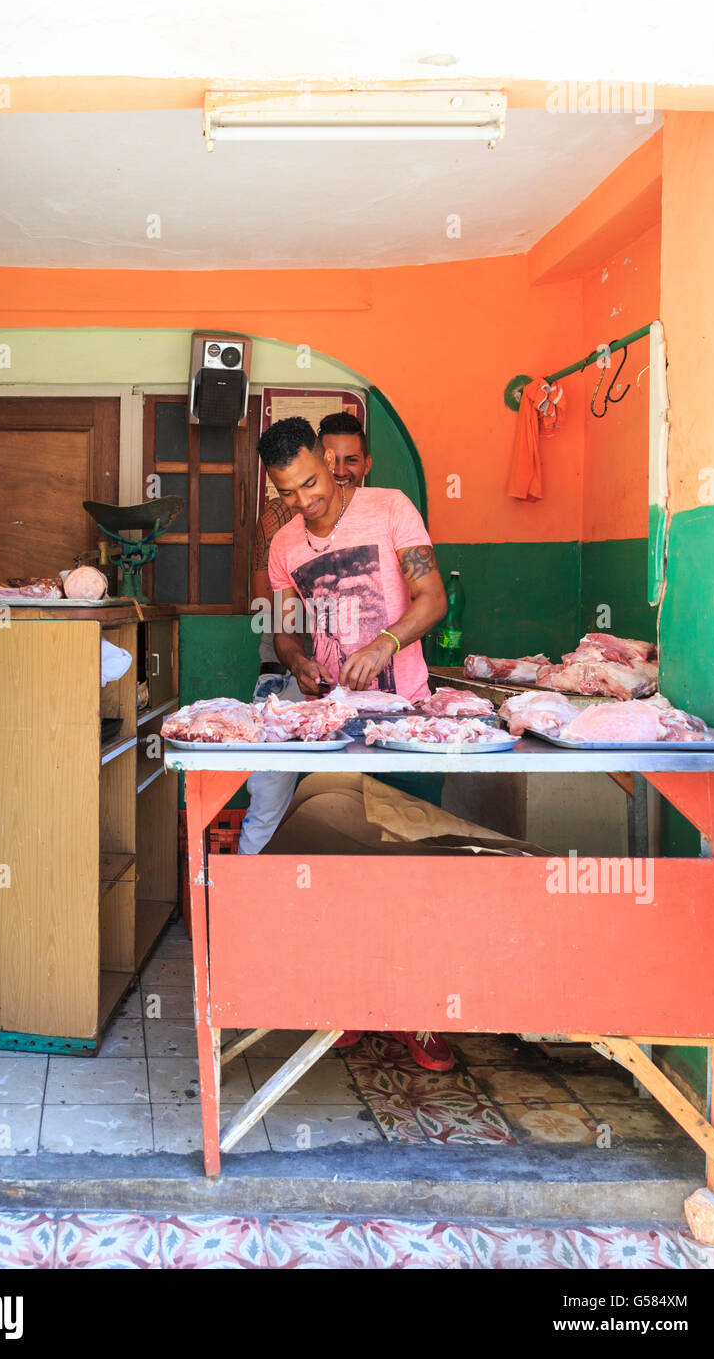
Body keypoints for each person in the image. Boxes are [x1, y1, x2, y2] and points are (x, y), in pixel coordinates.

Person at [259, 415, 456, 1073]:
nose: (305, 501)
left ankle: (420, 1016)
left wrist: (386, 643)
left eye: (311, 482)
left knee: (413, 870)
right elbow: (286, 632)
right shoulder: (285, 546)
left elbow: (432, 599)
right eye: (288, 492)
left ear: (329, 461)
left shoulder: (390, 509)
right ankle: (344, 1005)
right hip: (332, 726)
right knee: (339, 870)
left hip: (407, 724)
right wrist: (297, 663)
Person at [238, 412, 371, 856]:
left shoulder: (380, 516)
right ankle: (247, 901)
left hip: (364, 683)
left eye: (349, 460)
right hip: (289, 676)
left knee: (359, 799)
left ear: (364, 464)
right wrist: (304, 655)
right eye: (332, 459)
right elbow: (269, 610)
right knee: (270, 796)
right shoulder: (281, 521)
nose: (339, 470)